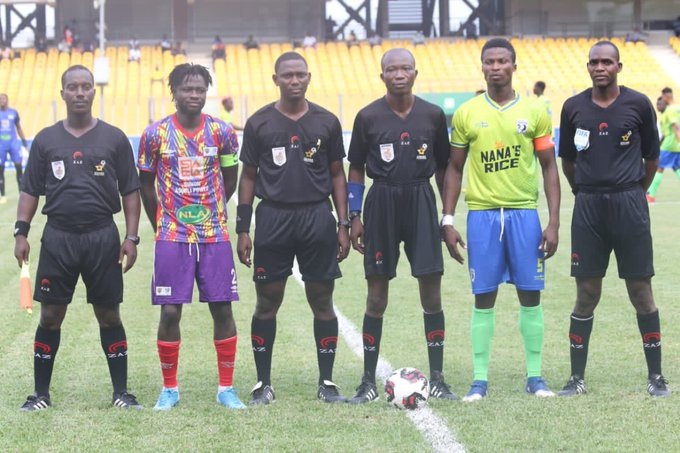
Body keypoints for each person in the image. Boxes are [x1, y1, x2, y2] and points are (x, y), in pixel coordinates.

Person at [14, 65, 142, 411]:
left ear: (94, 93)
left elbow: (131, 191)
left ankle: (121, 393)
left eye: (86, 86)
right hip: (58, 237)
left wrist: (131, 237)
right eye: (73, 87)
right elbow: (29, 190)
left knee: (109, 315)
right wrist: (20, 232)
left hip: (103, 236)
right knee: (50, 316)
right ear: (63, 94)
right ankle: (40, 394)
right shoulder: (45, 139)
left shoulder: (114, 138)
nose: (80, 92)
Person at [442, 38, 560, 402]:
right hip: (482, 216)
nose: (496, 67)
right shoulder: (466, 113)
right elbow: (454, 168)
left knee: (530, 295)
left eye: (502, 61)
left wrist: (553, 222)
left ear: (514, 66)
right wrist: (447, 218)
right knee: (483, 297)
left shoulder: (535, 110)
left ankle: (536, 377)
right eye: (489, 62)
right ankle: (479, 381)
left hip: (524, 214)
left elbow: (549, 167)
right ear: (482, 67)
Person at [557, 40, 670, 397]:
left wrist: (632, 191)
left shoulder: (638, 104)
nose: (600, 67)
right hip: (588, 206)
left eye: (607, 62)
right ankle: (576, 379)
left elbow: (651, 159)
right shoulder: (573, 107)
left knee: (641, 291)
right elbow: (568, 163)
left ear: (619, 67)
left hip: (629, 205)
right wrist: (586, 192)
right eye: (594, 62)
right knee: (587, 293)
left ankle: (656, 377)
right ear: (587, 67)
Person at [236, 51, 350, 405]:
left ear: (309, 77)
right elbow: (249, 177)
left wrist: (343, 224)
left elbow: (337, 175)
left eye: (300, 74)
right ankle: (262, 383)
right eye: (287, 75)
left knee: (321, 299)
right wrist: (243, 228)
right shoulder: (259, 124)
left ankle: (327, 381)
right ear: (276, 80)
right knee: (267, 301)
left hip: (317, 217)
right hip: (273, 219)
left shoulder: (327, 122)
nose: (294, 80)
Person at [346, 48, 457, 404]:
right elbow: (356, 168)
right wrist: (354, 214)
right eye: (391, 69)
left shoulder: (433, 115)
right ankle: (367, 381)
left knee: (431, 290)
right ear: (382, 76)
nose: (398, 74)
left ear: (415, 72)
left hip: (421, 200)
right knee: (376, 294)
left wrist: (446, 216)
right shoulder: (367, 117)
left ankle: (438, 378)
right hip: (382, 202)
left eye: (405, 68)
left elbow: (445, 168)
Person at [138, 63, 246, 411]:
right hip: (172, 236)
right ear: (175, 92)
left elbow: (230, 177)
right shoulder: (155, 134)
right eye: (188, 89)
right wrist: (161, 224)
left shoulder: (222, 132)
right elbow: (144, 183)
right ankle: (170, 388)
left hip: (213, 235)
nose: (195, 95)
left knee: (222, 308)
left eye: (200, 89)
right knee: (170, 312)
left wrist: (213, 210)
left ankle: (226, 388)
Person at [646, 87, 680, 202]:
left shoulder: (670, 111)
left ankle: (651, 195)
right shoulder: (677, 109)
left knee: (659, 167)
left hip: (670, 146)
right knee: (677, 168)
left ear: (666, 97)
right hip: (675, 146)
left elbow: (676, 128)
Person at [0, 93, 28, 204]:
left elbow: (19, 128)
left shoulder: (13, 113)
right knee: (1, 170)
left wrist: (24, 143)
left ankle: (21, 193)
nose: (2, 100)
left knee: (19, 168)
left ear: (7, 100)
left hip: (13, 144)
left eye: (4, 99)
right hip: (1, 145)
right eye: (0, 99)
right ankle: (3, 195)